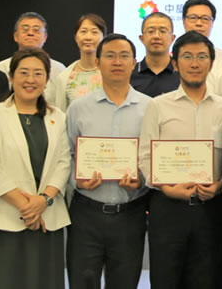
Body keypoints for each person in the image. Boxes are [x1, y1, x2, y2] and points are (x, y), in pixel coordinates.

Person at [139, 31, 222, 289]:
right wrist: (167, 188)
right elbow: (145, 156)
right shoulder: (158, 106)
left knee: (212, 279)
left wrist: (221, 185)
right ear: (175, 63)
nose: (195, 63)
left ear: (211, 64)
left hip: (213, 209)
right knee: (166, 279)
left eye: (202, 57)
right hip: (168, 208)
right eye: (187, 57)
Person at [0, 48, 71, 289]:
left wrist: (43, 201)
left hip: (47, 218)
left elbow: (63, 162)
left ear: (47, 79)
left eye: (38, 73)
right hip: (4, 219)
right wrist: (27, 207)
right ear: (11, 76)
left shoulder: (58, 116)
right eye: (24, 73)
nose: (30, 80)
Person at [64, 34, 151, 289]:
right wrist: (76, 180)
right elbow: (66, 155)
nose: (117, 62)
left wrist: (142, 180)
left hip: (130, 214)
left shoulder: (151, 108)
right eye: (110, 56)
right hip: (86, 213)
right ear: (98, 62)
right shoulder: (78, 108)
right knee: (82, 282)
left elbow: (153, 156)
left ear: (134, 62)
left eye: (124, 56)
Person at [46, 14, 105, 110]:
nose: (88, 37)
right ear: (76, 37)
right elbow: (61, 113)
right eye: (83, 32)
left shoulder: (110, 73)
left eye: (94, 32)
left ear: (103, 37)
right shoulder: (64, 77)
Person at [0, 11, 68, 77]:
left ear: (45, 37)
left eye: (36, 30)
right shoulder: (0, 69)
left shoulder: (58, 70)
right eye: (25, 30)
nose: (30, 33)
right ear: (15, 36)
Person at [132, 11, 180, 97]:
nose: (156, 36)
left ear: (172, 38)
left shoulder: (182, 73)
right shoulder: (129, 74)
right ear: (142, 38)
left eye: (163, 31)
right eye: (151, 31)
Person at [181, 0, 222, 65]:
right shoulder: (172, 57)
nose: (199, 23)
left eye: (205, 19)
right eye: (193, 18)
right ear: (183, 21)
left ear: (212, 23)